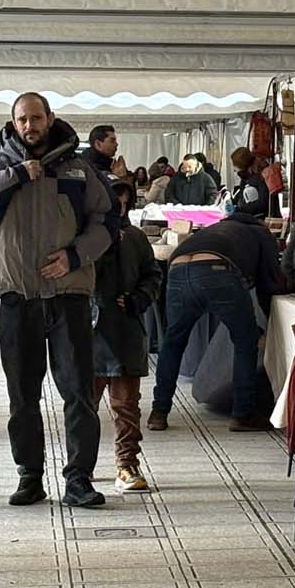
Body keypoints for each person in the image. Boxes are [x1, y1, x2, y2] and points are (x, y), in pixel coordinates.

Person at [0, 92, 113, 508]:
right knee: (23, 396)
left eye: (36, 117)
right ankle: (30, 476)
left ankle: (79, 478)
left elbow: (108, 221)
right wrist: (17, 176)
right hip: (18, 298)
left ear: (50, 118)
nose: (30, 125)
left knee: (79, 392)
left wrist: (75, 256)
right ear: (14, 122)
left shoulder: (78, 168)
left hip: (69, 297)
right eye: (22, 119)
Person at [148, 212, 284, 431]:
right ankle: (243, 414)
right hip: (217, 269)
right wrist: (272, 321)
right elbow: (269, 281)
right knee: (244, 341)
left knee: (173, 342)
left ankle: (159, 412)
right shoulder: (259, 232)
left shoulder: (216, 229)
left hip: (178, 269)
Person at [93, 176, 163, 493]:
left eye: (125, 202)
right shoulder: (86, 236)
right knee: (83, 405)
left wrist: (140, 298)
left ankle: (126, 463)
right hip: (89, 331)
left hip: (125, 330)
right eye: (114, 201)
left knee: (126, 405)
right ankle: (80, 464)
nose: (120, 207)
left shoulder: (134, 237)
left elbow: (152, 273)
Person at [230, 147, 271, 219]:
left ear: (242, 166)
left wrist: (239, 209)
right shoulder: (245, 179)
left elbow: (263, 204)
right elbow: (242, 198)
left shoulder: (261, 177)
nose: (234, 169)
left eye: (235, 165)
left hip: (262, 220)